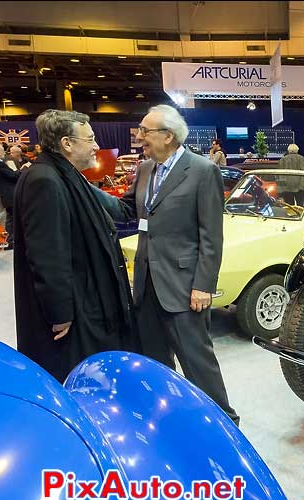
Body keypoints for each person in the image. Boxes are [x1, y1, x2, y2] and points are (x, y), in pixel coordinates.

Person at [92, 105, 239, 425]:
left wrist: (203, 285)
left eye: (146, 131)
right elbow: (126, 210)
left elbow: (211, 236)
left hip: (186, 287)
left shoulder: (202, 171)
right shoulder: (146, 169)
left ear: (169, 136)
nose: (139, 137)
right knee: (155, 361)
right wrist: (83, 187)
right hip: (147, 284)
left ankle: (224, 424)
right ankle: (168, 417)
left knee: (198, 362)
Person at [11, 109, 139, 382]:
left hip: (83, 299)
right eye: (90, 139)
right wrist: (60, 313)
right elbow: (47, 254)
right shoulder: (46, 180)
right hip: (72, 315)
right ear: (67, 144)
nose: (96, 147)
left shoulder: (61, 174)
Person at [0, 142, 28, 246]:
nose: (4, 153)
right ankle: (11, 240)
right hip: (9, 194)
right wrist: (24, 168)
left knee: (10, 217)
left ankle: (11, 240)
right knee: (12, 218)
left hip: (4, 193)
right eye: (2, 150)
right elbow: (13, 175)